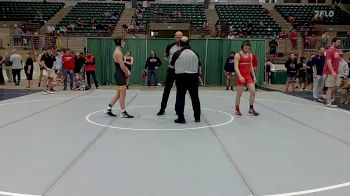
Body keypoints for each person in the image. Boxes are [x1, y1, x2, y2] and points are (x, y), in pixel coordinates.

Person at [170, 36, 201, 123]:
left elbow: (172, 65)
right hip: (193, 77)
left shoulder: (177, 53)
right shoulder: (195, 53)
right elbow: (199, 65)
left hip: (181, 77)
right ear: (189, 43)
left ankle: (181, 118)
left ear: (180, 44)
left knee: (180, 97)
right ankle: (197, 117)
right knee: (195, 97)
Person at [105, 38, 133, 118]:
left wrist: (127, 71)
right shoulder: (118, 53)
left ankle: (108, 109)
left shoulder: (118, 51)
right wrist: (127, 73)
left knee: (118, 94)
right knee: (122, 95)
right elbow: (122, 66)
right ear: (119, 43)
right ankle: (123, 113)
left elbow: (123, 64)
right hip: (120, 75)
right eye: (123, 42)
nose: (124, 43)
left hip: (119, 74)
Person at [157, 31, 183, 116]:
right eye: (177, 36)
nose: (178, 38)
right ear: (174, 37)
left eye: (180, 36)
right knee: (166, 90)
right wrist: (170, 61)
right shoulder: (170, 46)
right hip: (171, 70)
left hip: (181, 72)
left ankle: (178, 109)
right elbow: (165, 55)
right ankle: (162, 109)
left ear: (182, 37)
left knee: (179, 91)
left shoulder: (186, 46)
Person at [234, 41, 259, 116]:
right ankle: (237, 109)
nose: (247, 49)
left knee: (253, 91)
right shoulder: (237, 55)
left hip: (248, 77)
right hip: (241, 77)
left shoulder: (250, 55)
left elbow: (251, 67)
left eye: (248, 48)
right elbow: (235, 67)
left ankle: (251, 108)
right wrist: (240, 76)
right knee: (239, 94)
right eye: (245, 48)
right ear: (242, 47)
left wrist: (254, 76)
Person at [324, 38, 342, 108]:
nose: (339, 44)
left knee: (337, 86)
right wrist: (332, 72)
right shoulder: (329, 51)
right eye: (337, 42)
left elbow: (337, 60)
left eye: (339, 42)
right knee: (330, 87)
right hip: (331, 72)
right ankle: (328, 102)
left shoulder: (336, 50)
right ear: (333, 42)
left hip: (336, 72)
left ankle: (326, 96)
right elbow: (328, 62)